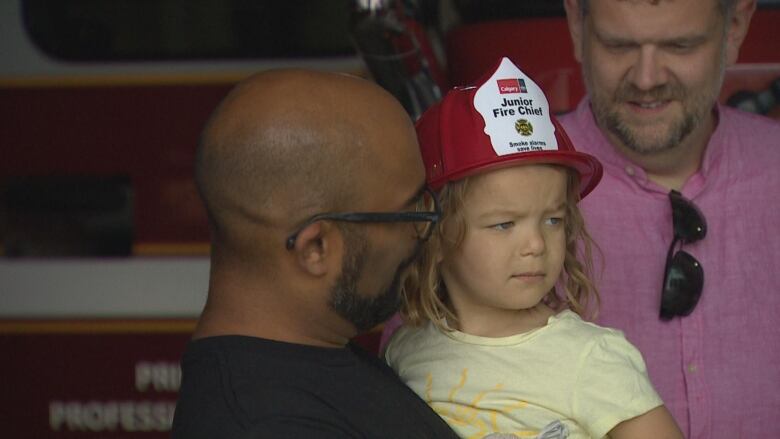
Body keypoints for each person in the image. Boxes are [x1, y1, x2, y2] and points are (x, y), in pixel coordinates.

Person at [385, 57, 684, 439]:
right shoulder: (406, 350)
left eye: (553, 220)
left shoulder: (590, 359)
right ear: (436, 233)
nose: (536, 244)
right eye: (504, 224)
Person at [171, 69, 459, 438]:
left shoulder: (318, 360)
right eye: (410, 212)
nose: (425, 230)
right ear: (316, 248)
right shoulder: (267, 426)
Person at [559, 0, 780, 437]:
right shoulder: (498, 187)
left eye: (680, 45)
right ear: (575, 23)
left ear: (735, 26)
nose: (647, 78)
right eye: (618, 45)